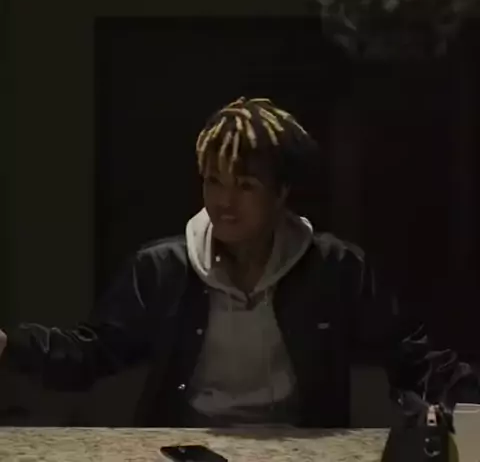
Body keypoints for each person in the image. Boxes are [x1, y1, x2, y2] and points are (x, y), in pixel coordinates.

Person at [0, 97, 476, 428]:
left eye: (245, 186)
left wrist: (467, 399)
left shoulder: (337, 268)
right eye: (213, 182)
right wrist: (9, 344)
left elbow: (412, 357)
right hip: (185, 448)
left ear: (282, 192)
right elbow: (92, 353)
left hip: (301, 448)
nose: (224, 202)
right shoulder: (162, 268)